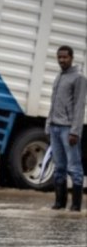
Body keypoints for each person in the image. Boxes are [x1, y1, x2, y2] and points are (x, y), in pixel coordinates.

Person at [45, 45, 86, 212]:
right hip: (54, 127)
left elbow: (79, 106)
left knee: (74, 167)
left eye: (65, 57)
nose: (62, 60)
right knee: (59, 166)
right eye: (59, 57)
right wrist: (48, 124)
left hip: (68, 129)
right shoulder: (59, 76)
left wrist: (75, 131)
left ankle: (76, 206)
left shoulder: (79, 78)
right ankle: (59, 203)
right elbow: (53, 104)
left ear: (72, 58)